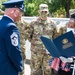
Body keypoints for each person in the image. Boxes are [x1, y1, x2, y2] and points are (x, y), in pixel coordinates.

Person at [27, 4, 58, 75]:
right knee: (34, 71)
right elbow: (29, 36)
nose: (44, 13)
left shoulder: (52, 24)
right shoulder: (33, 23)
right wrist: (36, 44)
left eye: (45, 12)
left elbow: (55, 37)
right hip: (36, 53)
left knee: (47, 71)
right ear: (38, 11)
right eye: (42, 11)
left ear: (48, 12)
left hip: (48, 53)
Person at [0, 0, 24, 75]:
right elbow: (14, 51)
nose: (21, 15)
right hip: (8, 69)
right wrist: (20, 67)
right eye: (20, 12)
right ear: (14, 11)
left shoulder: (1, 23)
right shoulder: (11, 27)